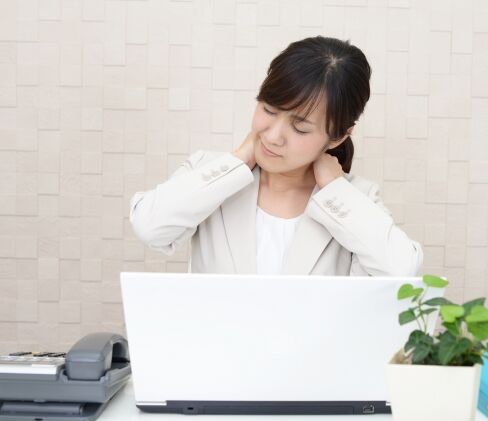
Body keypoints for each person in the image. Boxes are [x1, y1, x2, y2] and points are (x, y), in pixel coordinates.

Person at [129, 35, 423, 276]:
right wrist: (237, 161)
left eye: (300, 128)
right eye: (268, 110)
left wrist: (334, 188)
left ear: (338, 137)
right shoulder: (210, 171)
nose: (272, 136)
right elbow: (149, 227)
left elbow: (401, 270)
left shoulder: (354, 199)